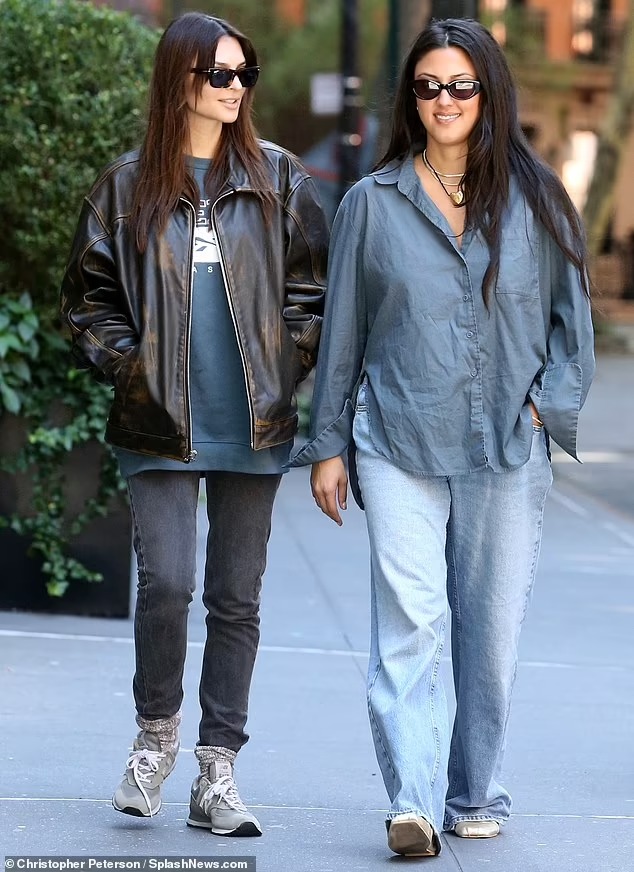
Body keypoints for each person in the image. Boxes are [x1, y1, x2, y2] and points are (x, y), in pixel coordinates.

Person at [291, 17, 594, 859]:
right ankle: (414, 800)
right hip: (397, 439)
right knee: (411, 624)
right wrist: (327, 446)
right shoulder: (371, 205)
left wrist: (545, 407)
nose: (446, 100)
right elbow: (342, 330)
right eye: (429, 86)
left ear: (490, 92)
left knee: (487, 639)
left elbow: (575, 330)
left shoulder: (538, 201)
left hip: (505, 446)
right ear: (411, 98)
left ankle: (470, 792)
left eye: (462, 85)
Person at [60, 11, 328, 837]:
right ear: (180, 79)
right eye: (219, 74)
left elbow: (313, 294)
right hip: (157, 422)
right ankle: (155, 739)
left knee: (236, 599)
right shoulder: (125, 185)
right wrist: (131, 366)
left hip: (253, 423)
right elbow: (87, 302)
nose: (236, 88)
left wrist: (287, 364)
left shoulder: (280, 179)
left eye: (244, 74)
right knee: (168, 583)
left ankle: (219, 771)